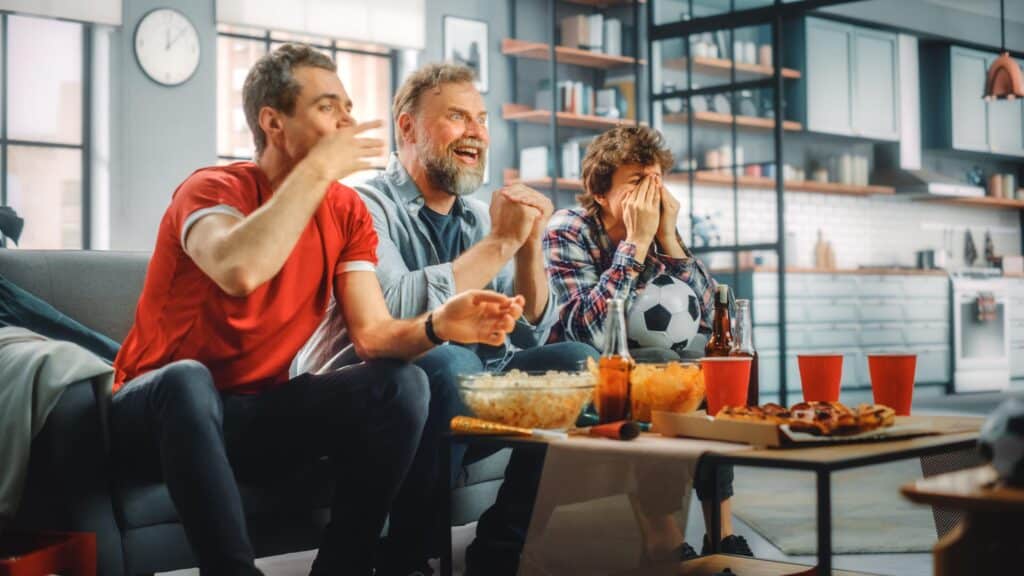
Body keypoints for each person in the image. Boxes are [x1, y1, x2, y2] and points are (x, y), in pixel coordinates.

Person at [110, 44, 524, 576]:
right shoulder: (212, 188)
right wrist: (318, 169)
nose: (349, 121)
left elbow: (374, 336)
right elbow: (239, 268)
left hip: (255, 414)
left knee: (402, 384)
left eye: (349, 106)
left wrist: (437, 324)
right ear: (273, 122)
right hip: (157, 417)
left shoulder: (346, 210)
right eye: (329, 107)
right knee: (188, 381)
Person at [295, 62, 597, 576]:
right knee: (444, 358)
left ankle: (502, 549)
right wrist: (500, 242)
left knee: (578, 362)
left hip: (475, 390)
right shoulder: (363, 206)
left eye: (481, 119)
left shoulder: (481, 215)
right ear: (407, 127)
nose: (477, 132)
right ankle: (408, 556)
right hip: (384, 396)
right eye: (457, 117)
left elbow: (530, 331)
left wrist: (526, 248)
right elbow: (394, 308)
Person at [543, 125, 752, 560]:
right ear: (601, 192)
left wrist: (669, 238)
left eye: (656, 180)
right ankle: (663, 538)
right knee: (659, 364)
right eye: (637, 182)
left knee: (712, 365)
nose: (650, 194)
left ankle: (722, 535)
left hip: (652, 365)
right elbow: (589, 333)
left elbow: (717, 318)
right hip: (587, 371)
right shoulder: (569, 228)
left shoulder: (661, 228)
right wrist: (635, 244)